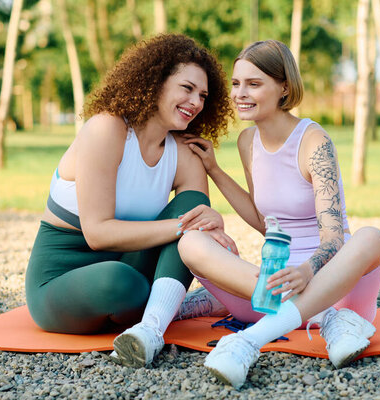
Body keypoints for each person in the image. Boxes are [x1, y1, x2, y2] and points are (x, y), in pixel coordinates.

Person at [177, 40, 380, 389]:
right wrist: (213, 168)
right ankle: (323, 320)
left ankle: (250, 340)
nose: (240, 93)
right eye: (236, 83)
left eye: (254, 84)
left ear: (284, 87)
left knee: (371, 237)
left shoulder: (314, 141)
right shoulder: (247, 142)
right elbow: (265, 222)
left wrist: (307, 272)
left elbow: (334, 236)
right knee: (191, 243)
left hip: (333, 287)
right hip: (272, 290)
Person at [24, 34, 237, 368]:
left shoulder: (185, 152)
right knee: (118, 281)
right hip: (63, 279)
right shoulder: (106, 129)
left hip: (132, 267)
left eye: (203, 95)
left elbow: (197, 226)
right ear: (155, 82)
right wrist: (185, 227)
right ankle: (180, 306)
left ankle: (150, 330)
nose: (196, 102)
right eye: (186, 88)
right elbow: (98, 234)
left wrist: (211, 232)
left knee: (192, 209)